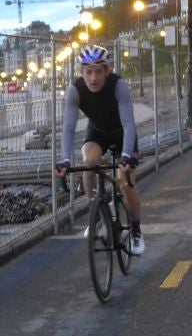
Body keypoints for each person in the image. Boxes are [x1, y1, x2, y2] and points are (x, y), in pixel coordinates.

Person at [54, 45, 144, 255]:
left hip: (123, 132)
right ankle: (95, 212)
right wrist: (65, 160)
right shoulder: (75, 90)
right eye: (88, 72)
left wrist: (126, 156)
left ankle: (137, 228)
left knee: (125, 181)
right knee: (89, 163)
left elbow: (129, 124)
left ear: (107, 71)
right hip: (97, 131)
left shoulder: (118, 85)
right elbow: (68, 127)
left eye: (98, 71)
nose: (93, 78)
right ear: (81, 72)